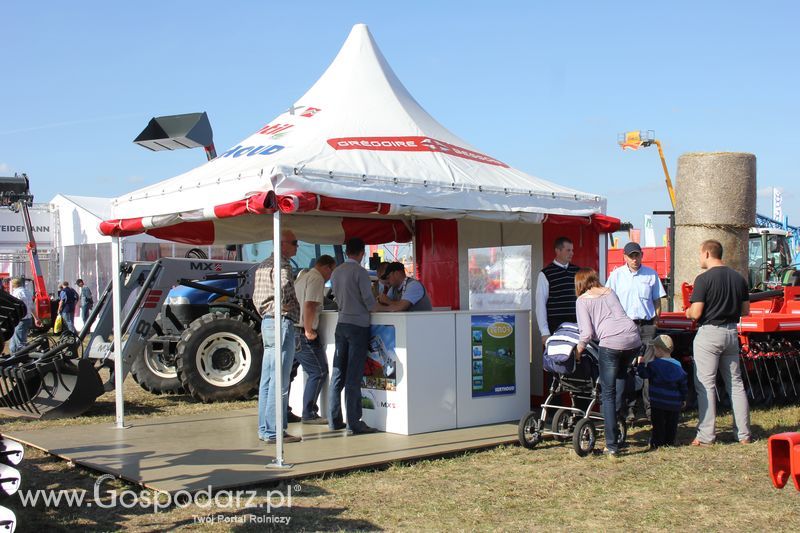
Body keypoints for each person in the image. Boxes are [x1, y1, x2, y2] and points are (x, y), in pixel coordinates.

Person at [685, 239, 751, 446]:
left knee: (706, 385)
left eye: (699, 254)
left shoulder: (703, 279)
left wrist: (686, 311)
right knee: (736, 384)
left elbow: (696, 313)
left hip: (709, 334)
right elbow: (745, 311)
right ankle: (744, 434)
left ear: (706, 253)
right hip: (732, 332)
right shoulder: (739, 278)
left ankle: (706, 435)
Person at [574, 268, 641, 457]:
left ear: (579, 283)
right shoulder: (610, 291)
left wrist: (577, 351)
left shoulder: (582, 300)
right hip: (633, 339)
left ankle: (611, 445)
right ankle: (618, 421)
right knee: (620, 377)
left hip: (611, 343)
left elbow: (586, 333)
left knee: (607, 394)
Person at [606, 241, 667, 421]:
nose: (634, 259)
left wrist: (656, 320)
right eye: (631, 256)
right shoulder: (616, 276)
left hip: (647, 326)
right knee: (627, 368)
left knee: (648, 367)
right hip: (626, 326)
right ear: (624, 257)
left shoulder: (651, 274)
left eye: (637, 255)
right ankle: (629, 409)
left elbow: (657, 299)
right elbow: (609, 300)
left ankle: (650, 411)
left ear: (642, 255)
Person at [254, 230, 303, 444]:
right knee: (280, 381)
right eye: (295, 243)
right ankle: (275, 431)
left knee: (267, 379)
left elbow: (256, 297)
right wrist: (287, 302)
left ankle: (265, 429)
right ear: (283, 245)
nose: (297, 247)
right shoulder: (283, 265)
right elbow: (283, 287)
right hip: (281, 320)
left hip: (267, 320)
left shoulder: (263, 265)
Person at [329, 237, 379, 434]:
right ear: (362, 253)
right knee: (354, 376)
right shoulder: (360, 272)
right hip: (358, 325)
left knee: (338, 374)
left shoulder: (336, 271)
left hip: (341, 324)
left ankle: (334, 419)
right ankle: (354, 422)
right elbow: (368, 300)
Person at [293, 254, 337, 424]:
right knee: (318, 371)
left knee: (289, 374)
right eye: (331, 271)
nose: (330, 276)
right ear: (327, 267)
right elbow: (310, 304)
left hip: (293, 330)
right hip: (303, 332)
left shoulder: (303, 277)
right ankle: (309, 413)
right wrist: (309, 329)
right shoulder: (317, 279)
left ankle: (285, 411)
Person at [636, 334, 687, 448]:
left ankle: (657, 442)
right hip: (674, 402)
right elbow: (682, 384)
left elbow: (643, 374)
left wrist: (641, 363)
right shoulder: (678, 365)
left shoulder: (654, 365)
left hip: (658, 401)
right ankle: (669, 441)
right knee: (671, 424)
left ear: (658, 349)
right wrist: (683, 398)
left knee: (658, 424)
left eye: (654, 349)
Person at [536, 237, 580, 346]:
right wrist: (544, 332)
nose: (572, 253)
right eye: (568, 250)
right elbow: (540, 304)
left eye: (572, 250)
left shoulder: (578, 271)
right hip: (555, 326)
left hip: (577, 324)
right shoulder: (545, 274)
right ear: (558, 251)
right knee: (558, 360)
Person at [9, 278, 40, 353]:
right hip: (27, 319)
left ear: (13, 285)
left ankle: (29, 359)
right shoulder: (28, 292)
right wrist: (36, 318)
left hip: (20, 320)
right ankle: (13, 362)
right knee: (14, 344)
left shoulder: (16, 293)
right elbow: (32, 306)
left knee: (20, 345)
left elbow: (13, 308)